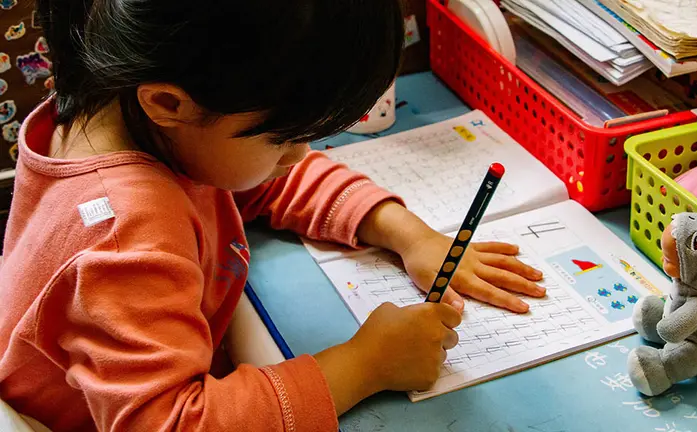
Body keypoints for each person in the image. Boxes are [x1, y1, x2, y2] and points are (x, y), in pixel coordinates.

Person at [0, 0, 546, 430]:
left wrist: (405, 232)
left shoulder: (121, 109)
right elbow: (173, 423)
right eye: (285, 138)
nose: (301, 156)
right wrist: (366, 364)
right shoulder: (128, 233)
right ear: (168, 104)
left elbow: (256, 179)